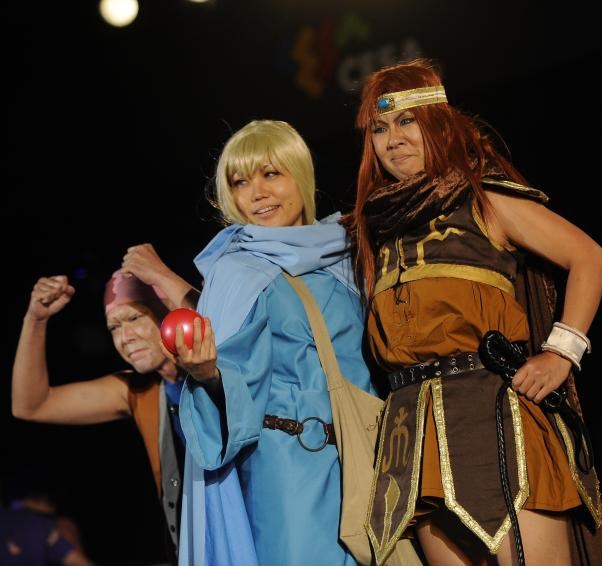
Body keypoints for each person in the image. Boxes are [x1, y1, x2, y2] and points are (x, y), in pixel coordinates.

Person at [345, 59, 602, 565]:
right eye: (379, 129)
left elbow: (588, 258)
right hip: (415, 432)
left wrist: (561, 353)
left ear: (437, 122)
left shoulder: (483, 199)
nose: (392, 140)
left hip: (494, 416)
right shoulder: (374, 230)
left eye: (406, 121)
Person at [176, 120, 377, 566]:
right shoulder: (237, 270)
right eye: (241, 182)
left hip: (373, 461)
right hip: (291, 471)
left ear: (300, 175)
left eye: (271, 174)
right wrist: (209, 375)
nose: (257, 193)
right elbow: (236, 380)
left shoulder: (350, 253)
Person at [11, 245, 199, 563]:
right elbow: (31, 405)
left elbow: (220, 331)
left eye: (134, 317)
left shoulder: (220, 366)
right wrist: (35, 319)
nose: (125, 337)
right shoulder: (140, 390)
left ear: (166, 311)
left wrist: (161, 275)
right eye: (114, 327)